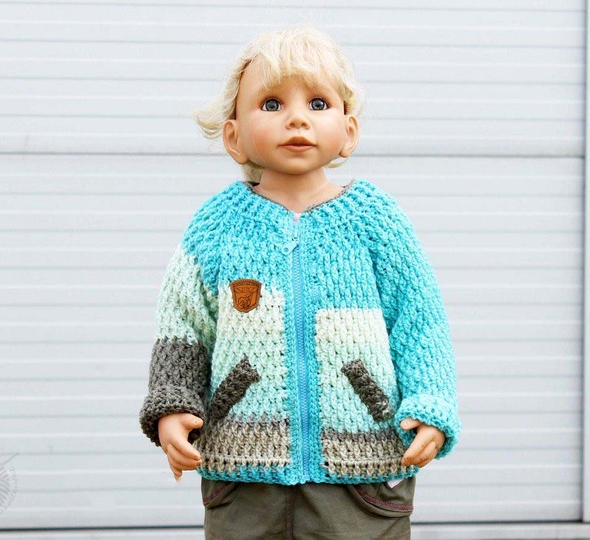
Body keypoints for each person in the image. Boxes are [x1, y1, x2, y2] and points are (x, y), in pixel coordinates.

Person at [139, 24, 461, 539]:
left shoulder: (376, 221)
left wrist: (432, 403)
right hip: (244, 472)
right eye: (271, 104)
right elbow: (184, 326)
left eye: (317, 103)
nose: (296, 118)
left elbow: (418, 320)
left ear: (348, 131)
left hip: (363, 468)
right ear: (234, 136)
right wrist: (173, 403)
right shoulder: (217, 225)